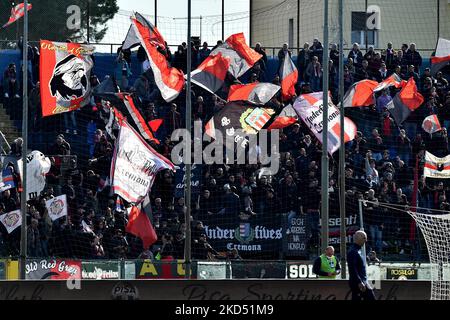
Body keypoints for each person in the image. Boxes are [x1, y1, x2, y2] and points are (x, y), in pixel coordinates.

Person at [347, 230, 376, 300]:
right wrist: (359, 281)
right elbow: (352, 268)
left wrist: (370, 258)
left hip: (361, 281)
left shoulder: (358, 250)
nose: (366, 240)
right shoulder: (353, 251)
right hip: (358, 282)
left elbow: (360, 263)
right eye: (364, 238)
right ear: (357, 238)